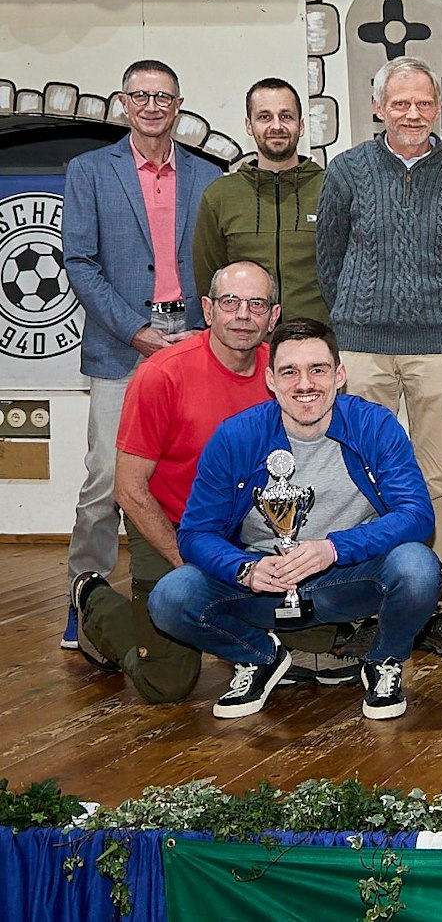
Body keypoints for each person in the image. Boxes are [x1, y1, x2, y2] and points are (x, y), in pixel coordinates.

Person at [152, 318, 442, 721]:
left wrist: (334, 549)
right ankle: (259, 656)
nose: (304, 384)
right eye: (289, 371)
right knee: (170, 597)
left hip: (346, 578)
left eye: (318, 370)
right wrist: (245, 569)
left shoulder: (374, 426)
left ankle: (384, 660)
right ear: (270, 379)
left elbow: (417, 516)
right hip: (264, 586)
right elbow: (195, 533)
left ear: (339, 375)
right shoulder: (236, 436)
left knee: (418, 567)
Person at [317, 55, 442, 660]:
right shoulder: (346, 173)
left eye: (423, 104)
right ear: (378, 108)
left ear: (437, 109)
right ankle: (369, 602)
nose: (413, 114)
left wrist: (436, 305)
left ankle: (438, 605)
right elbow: (329, 257)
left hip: (440, 345)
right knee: (363, 476)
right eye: (400, 104)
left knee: (439, 475)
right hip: (362, 345)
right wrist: (356, 315)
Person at [59, 59, 221, 652]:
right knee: (106, 478)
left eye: (164, 97)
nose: (153, 105)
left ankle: (195, 593)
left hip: (193, 344)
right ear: (123, 103)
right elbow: (79, 262)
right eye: (141, 96)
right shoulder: (88, 171)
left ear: (178, 105)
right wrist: (135, 331)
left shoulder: (207, 176)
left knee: (199, 474)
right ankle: (88, 595)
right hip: (120, 347)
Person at [69, 261, 281, 701]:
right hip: (169, 525)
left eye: (256, 304)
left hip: (247, 531)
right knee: (166, 684)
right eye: (230, 303)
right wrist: (191, 564)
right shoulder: (162, 374)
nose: (243, 315)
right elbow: (128, 489)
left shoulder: (283, 374)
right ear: (207, 309)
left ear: (273, 317)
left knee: (306, 655)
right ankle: (92, 597)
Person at [194, 78, 328, 323]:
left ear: (301, 125)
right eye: (264, 117)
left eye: (286, 116)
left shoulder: (331, 189)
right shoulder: (219, 196)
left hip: (317, 345)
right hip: (246, 348)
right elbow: (209, 282)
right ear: (249, 125)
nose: (276, 126)